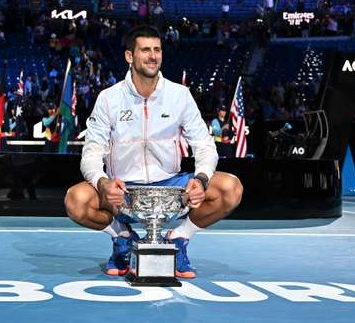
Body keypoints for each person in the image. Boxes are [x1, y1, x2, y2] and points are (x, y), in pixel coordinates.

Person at [64, 25, 243, 279]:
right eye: (145, 50)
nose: (153, 56)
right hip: (123, 190)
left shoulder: (180, 95)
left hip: (171, 187)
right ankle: (122, 237)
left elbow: (204, 145)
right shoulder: (108, 98)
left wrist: (201, 179)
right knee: (76, 201)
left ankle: (179, 238)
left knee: (231, 188)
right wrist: (102, 182)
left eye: (157, 50)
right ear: (130, 56)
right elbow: (92, 152)